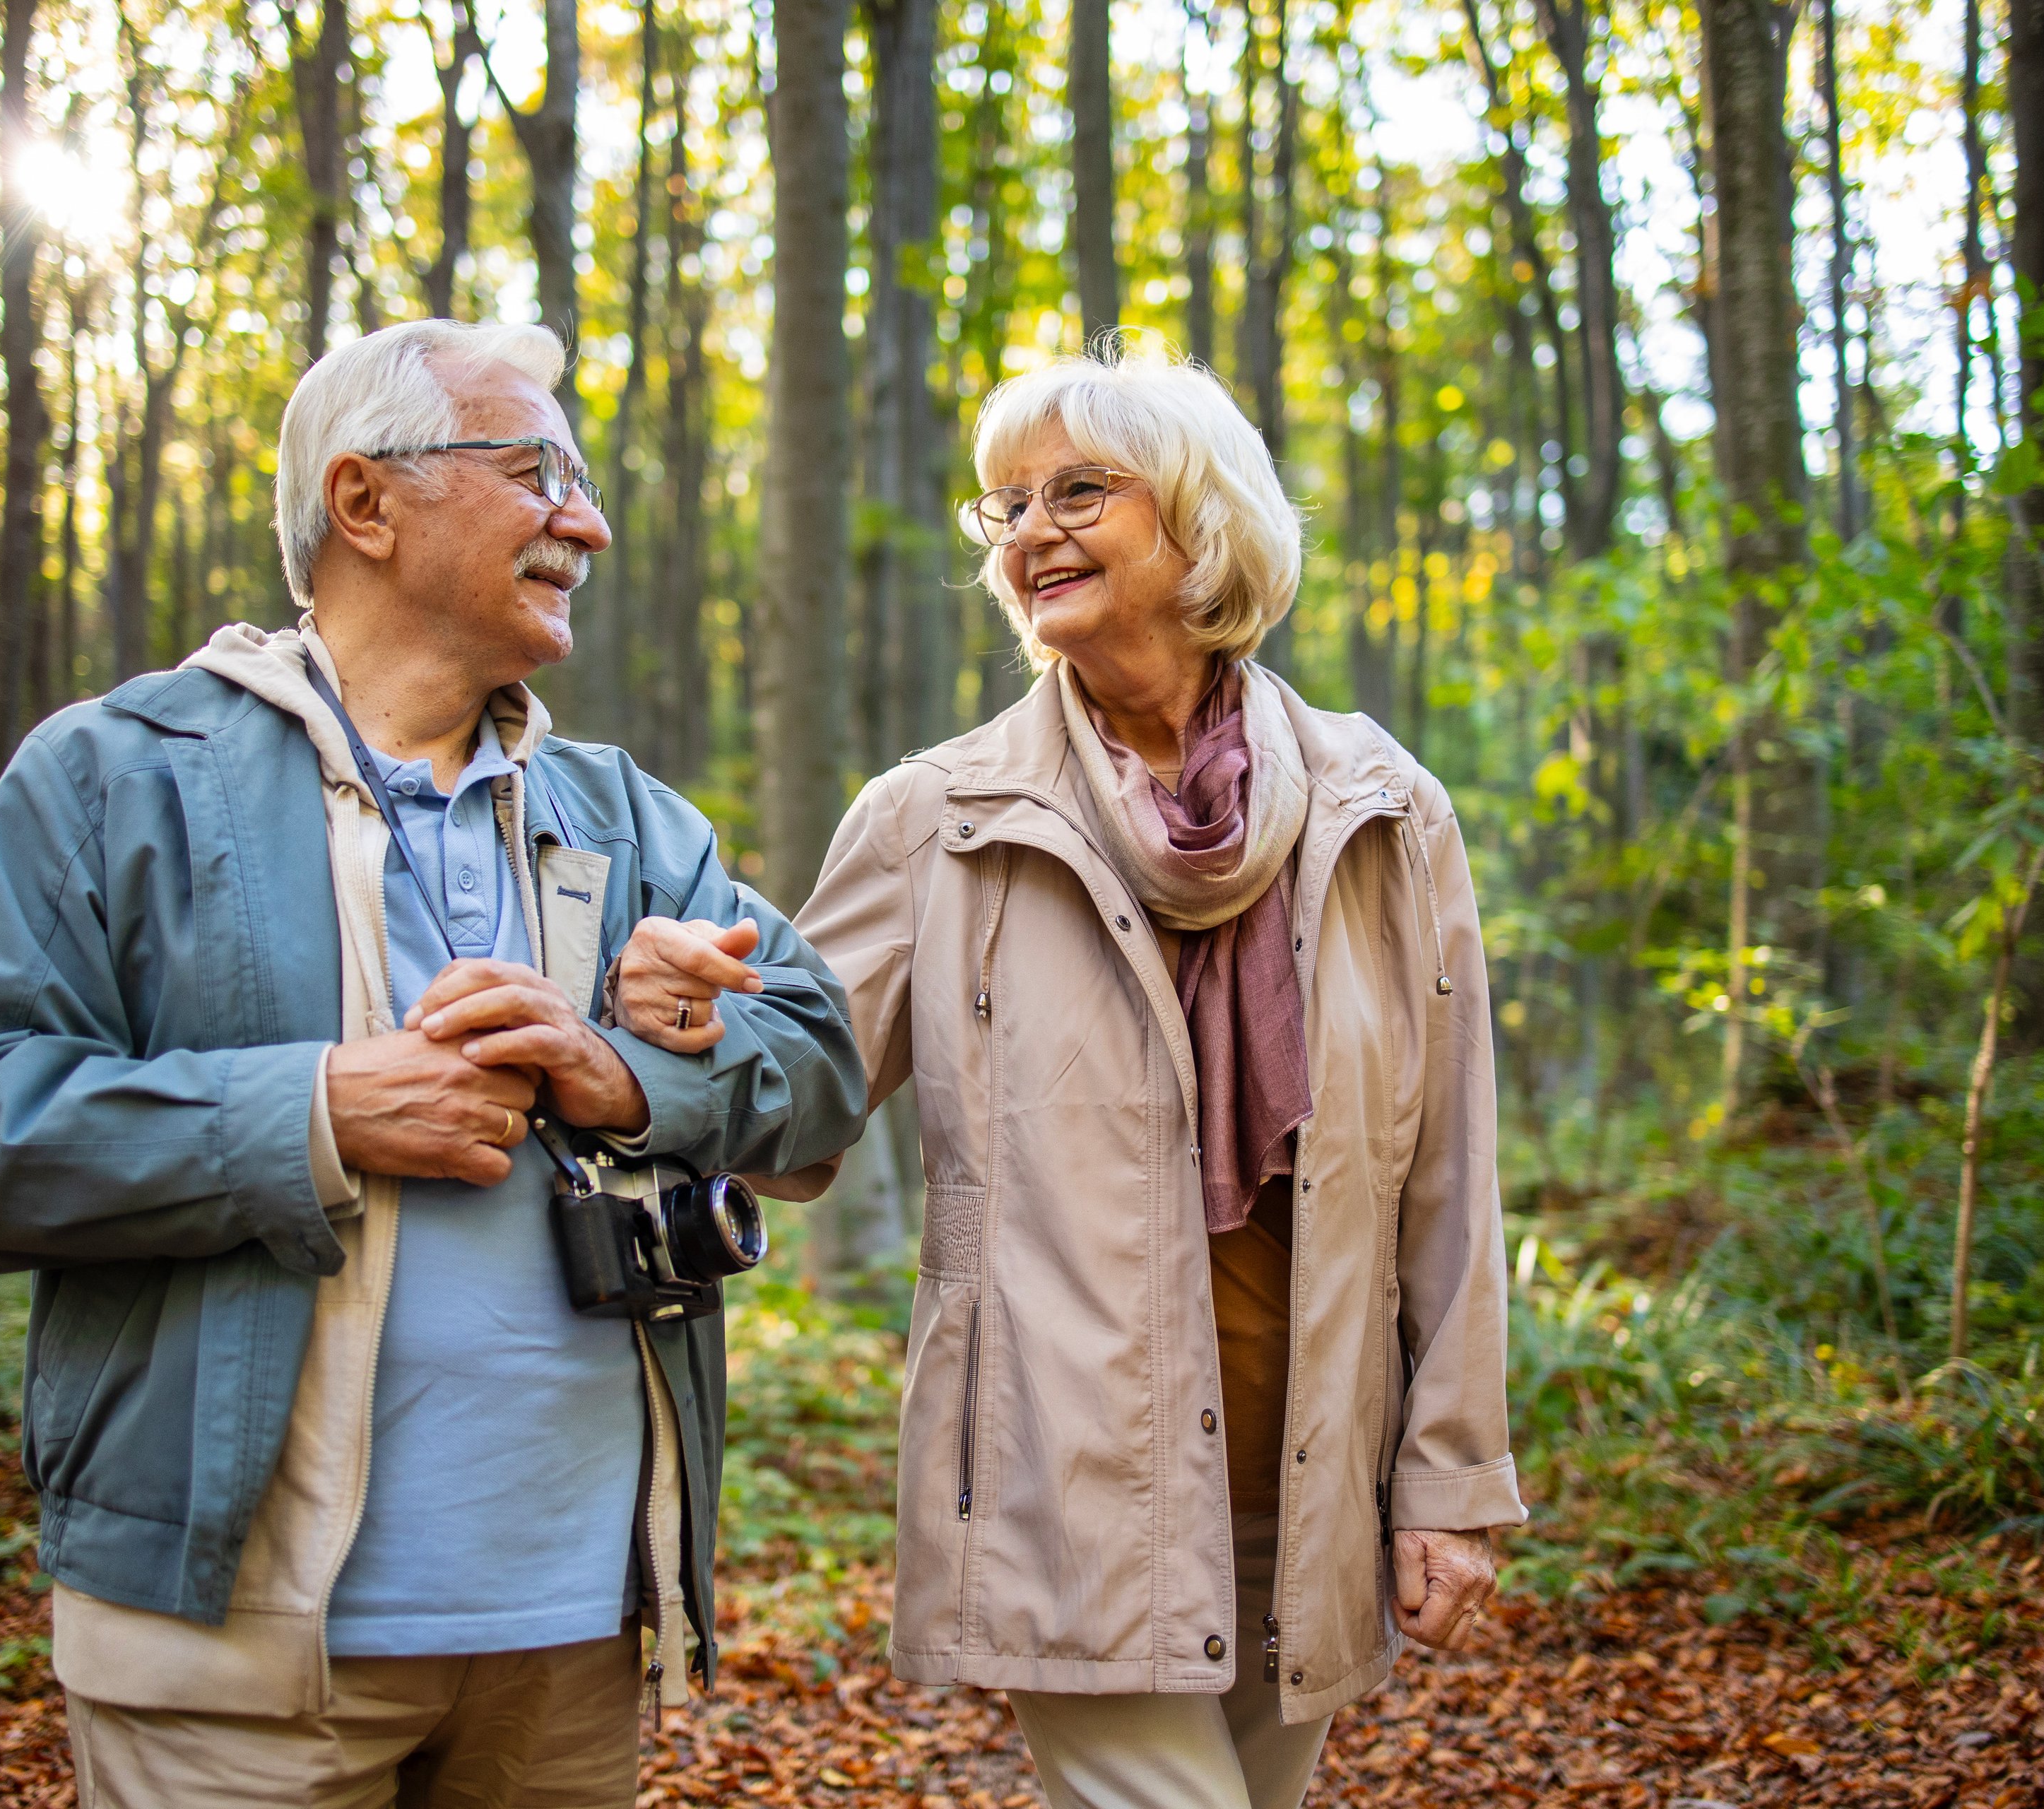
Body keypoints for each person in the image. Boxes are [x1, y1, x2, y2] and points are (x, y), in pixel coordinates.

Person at [0, 318, 867, 1809]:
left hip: (576, 1635)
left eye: (582, 483)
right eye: (538, 471)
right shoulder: (119, 773)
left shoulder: (626, 817)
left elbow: (825, 1074)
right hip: (237, 1649)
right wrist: (316, 1111)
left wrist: (635, 1070)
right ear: (365, 503)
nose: (584, 520)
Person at [615, 343, 1523, 1809]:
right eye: (1005, 505)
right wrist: (687, 1024)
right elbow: (797, 1093)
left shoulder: (1383, 809)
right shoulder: (941, 814)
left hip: (1306, 1472)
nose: (1028, 530)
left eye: (1078, 491)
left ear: (1204, 518)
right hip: (1064, 1473)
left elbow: (1449, 1182)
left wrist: (1452, 1480)